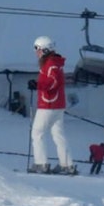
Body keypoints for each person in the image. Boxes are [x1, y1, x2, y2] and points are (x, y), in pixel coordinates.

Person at [28, 35, 75, 175]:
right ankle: (67, 165)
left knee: (37, 133)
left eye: (38, 49)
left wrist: (38, 85)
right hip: (56, 104)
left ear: (46, 50)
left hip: (48, 104)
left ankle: (41, 164)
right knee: (58, 135)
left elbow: (52, 82)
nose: (36, 52)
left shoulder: (51, 65)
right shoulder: (54, 63)